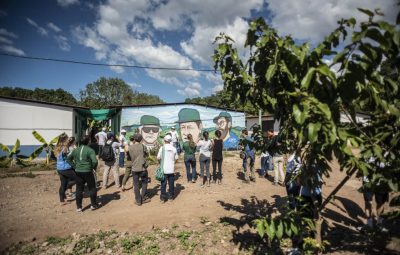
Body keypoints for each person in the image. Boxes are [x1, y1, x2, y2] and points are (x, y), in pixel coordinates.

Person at [67, 135, 99, 212]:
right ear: (88, 142)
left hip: (78, 172)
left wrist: (75, 166)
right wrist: (92, 168)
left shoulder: (76, 150)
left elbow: (68, 159)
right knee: (92, 188)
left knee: (79, 189)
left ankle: (79, 207)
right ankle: (93, 205)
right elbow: (95, 161)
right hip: (88, 171)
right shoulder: (90, 150)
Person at [361, 157, 389, 232]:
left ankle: (379, 223)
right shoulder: (367, 148)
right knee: (368, 202)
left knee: (381, 203)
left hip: (382, 181)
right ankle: (369, 225)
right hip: (367, 180)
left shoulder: (389, 148)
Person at [54, 133, 77, 205]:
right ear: (64, 140)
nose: (68, 139)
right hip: (66, 167)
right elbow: (68, 156)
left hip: (59, 168)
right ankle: (66, 188)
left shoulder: (56, 147)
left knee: (63, 184)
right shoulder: (65, 148)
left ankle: (62, 200)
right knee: (78, 178)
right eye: (67, 138)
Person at [129, 134, 150, 206]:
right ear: (141, 139)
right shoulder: (143, 146)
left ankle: (138, 200)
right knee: (144, 183)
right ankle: (144, 198)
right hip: (142, 168)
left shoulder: (130, 147)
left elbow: (129, 157)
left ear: (134, 139)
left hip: (134, 168)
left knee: (136, 184)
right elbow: (147, 155)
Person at [157, 134, 178, 202]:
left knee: (163, 184)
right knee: (171, 184)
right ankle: (171, 197)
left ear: (164, 140)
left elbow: (158, 157)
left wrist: (161, 163)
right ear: (170, 141)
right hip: (171, 169)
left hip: (164, 169)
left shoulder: (162, 148)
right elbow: (176, 158)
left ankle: (163, 198)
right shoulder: (173, 148)